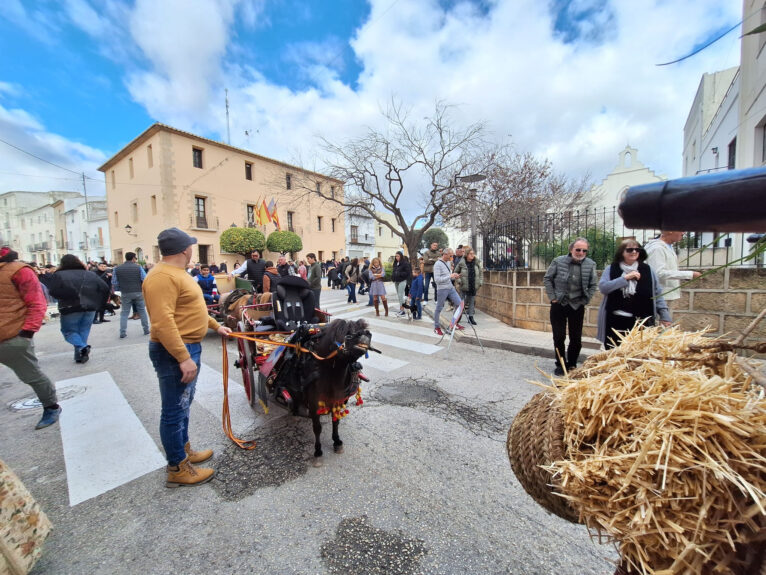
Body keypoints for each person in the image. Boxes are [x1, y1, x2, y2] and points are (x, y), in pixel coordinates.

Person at [143, 227, 232, 487]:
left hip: (188, 345)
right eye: (191, 245)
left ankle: (183, 452)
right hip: (175, 350)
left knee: (183, 403)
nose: (192, 249)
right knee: (173, 410)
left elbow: (191, 310)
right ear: (184, 249)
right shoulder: (161, 277)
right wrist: (183, 357)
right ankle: (177, 468)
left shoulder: (176, 274)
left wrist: (216, 326)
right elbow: (162, 322)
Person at [0, 247, 61, 429]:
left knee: (31, 375)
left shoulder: (19, 270)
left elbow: (36, 301)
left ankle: (51, 406)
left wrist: (27, 332)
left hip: (11, 335)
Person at [597, 240, 672, 349]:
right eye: (629, 249)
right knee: (615, 354)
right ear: (622, 252)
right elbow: (604, 288)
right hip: (616, 322)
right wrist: (625, 278)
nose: (634, 252)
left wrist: (664, 315)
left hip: (642, 322)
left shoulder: (648, 270)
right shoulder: (612, 268)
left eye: (637, 249)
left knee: (638, 354)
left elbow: (657, 293)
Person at [543, 238, 598, 375]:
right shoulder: (558, 261)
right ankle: (560, 364)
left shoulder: (590, 264)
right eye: (578, 249)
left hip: (577, 305)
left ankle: (572, 364)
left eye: (584, 250)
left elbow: (593, 284)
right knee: (559, 336)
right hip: (559, 304)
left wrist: (586, 300)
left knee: (576, 338)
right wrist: (553, 297)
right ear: (571, 249)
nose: (580, 252)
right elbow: (547, 278)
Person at [47, 254, 110, 363]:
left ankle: (82, 348)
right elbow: (104, 288)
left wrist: (68, 295)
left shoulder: (59, 275)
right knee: (83, 331)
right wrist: (100, 302)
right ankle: (80, 355)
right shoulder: (90, 274)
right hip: (90, 306)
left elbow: (53, 291)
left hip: (70, 306)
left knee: (68, 331)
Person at [644, 231, 701, 310]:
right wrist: (690, 274)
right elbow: (658, 273)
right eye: (681, 230)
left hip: (664, 296)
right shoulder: (657, 248)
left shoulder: (667, 246)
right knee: (660, 321)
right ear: (670, 231)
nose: (683, 233)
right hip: (659, 296)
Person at [113, 252, 150, 339]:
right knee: (142, 311)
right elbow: (145, 279)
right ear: (133, 258)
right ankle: (146, 329)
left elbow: (114, 282)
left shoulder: (117, 268)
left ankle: (122, 332)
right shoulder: (138, 267)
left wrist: (120, 288)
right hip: (138, 291)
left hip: (125, 292)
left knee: (124, 313)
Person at [433, 248, 464, 335]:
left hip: (450, 287)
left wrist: (455, 276)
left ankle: (454, 323)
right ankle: (436, 327)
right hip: (442, 289)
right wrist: (450, 276)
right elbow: (437, 280)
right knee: (439, 308)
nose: (452, 257)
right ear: (445, 254)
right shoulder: (437, 264)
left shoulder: (448, 262)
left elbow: (448, 276)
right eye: (450, 255)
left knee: (459, 304)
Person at [454, 246, 483, 325]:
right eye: (470, 254)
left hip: (473, 285)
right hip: (464, 286)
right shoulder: (462, 263)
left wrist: (480, 282)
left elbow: (481, 273)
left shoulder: (476, 262)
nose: (472, 255)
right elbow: (455, 273)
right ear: (466, 254)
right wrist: (459, 281)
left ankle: (471, 317)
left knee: (472, 301)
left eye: (473, 253)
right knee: (461, 302)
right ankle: (457, 317)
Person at [392, 251, 411, 317]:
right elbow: (394, 271)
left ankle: (402, 310)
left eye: (398, 256)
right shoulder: (395, 263)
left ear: (401, 256)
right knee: (399, 295)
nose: (397, 257)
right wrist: (393, 277)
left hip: (402, 280)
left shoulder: (405, 263)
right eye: (396, 256)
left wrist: (399, 274)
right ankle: (401, 309)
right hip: (396, 281)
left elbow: (408, 273)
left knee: (400, 295)